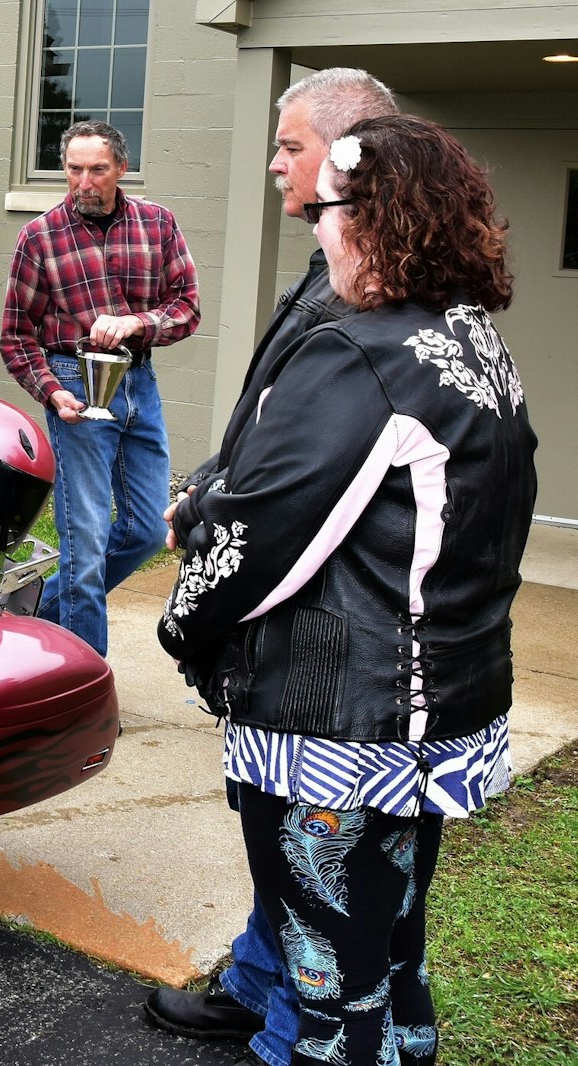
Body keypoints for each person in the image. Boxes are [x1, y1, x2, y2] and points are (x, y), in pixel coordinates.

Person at [157, 115, 536, 1066]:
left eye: (325, 211)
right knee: (392, 956)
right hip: (436, 705)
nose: (317, 232)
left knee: (333, 991)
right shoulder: (471, 338)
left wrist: (181, 623)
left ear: (376, 219)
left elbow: (256, 541)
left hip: (341, 722)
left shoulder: (362, 351)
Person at [143, 68, 399, 1066]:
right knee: (264, 811)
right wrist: (207, 481)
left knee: (309, 839)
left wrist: (217, 516)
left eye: (288, 145)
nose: (271, 163)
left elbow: (318, 468)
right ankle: (258, 983)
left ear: (344, 155)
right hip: (278, 600)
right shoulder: (326, 256)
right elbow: (272, 413)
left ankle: (295, 1029)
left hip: (327, 618)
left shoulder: (381, 277)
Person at [0, 120, 199, 657]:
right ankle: (84, 684)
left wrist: (138, 323)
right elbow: (16, 337)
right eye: (74, 169)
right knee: (84, 545)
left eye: (97, 170)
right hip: (74, 391)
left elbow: (187, 309)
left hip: (139, 381)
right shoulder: (39, 237)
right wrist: (50, 392)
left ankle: (36, 615)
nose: (84, 182)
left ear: (121, 170)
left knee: (147, 533)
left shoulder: (157, 225)